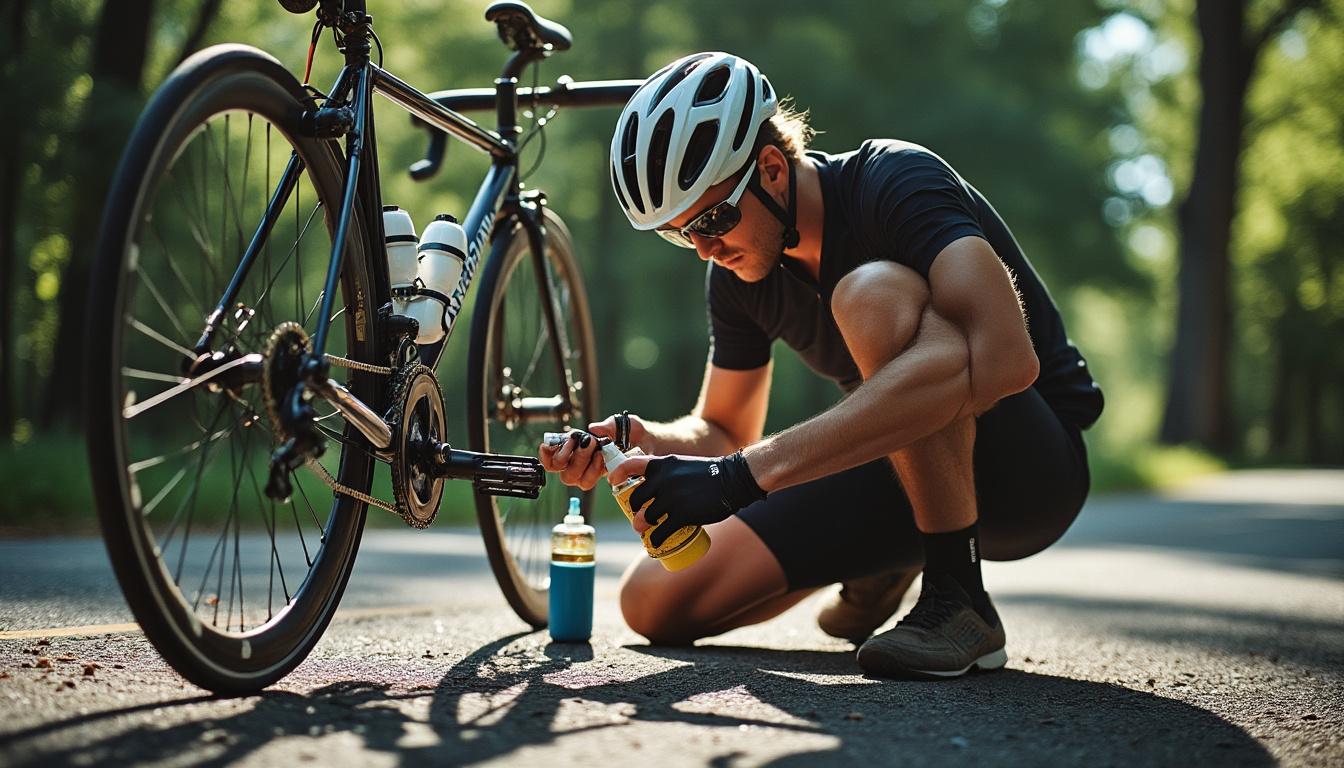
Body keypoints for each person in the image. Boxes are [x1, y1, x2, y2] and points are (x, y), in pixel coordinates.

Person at [538, 51, 1102, 680]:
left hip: (1027, 475)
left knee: (869, 294)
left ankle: (957, 596)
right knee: (655, 601)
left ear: (772, 169)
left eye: (714, 218)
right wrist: (641, 440)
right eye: (679, 232)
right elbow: (725, 429)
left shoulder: (893, 183)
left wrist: (737, 479)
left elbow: (1005, 361)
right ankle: (884, 560)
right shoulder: (738, 272)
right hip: (900, 465)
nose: (704, 248)